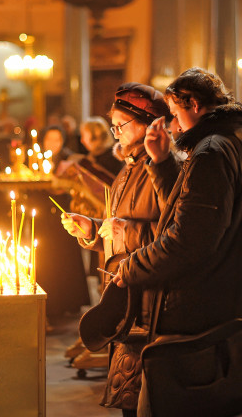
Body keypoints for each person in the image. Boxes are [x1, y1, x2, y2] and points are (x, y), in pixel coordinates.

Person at [110, 68, 242, 414]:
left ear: (194, 104)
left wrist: (132, 267)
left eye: (175, 113)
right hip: (229, 303)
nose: (172, 124)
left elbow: (188, 241)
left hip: (198, 312)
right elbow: (193, 213)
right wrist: (161, 162)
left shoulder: (211, 152)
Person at [60, 82, 172, 416]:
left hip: (150, 299)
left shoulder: (163, 168)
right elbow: (116, 222)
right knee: (129, 398)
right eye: (114, 126)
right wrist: (92, 228)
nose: (116, 133)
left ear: (148, 124)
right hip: (124, 293)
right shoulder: (128, 166)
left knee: (146, 401)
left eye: (121, 125)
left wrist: (128, 230)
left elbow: (176, 235)